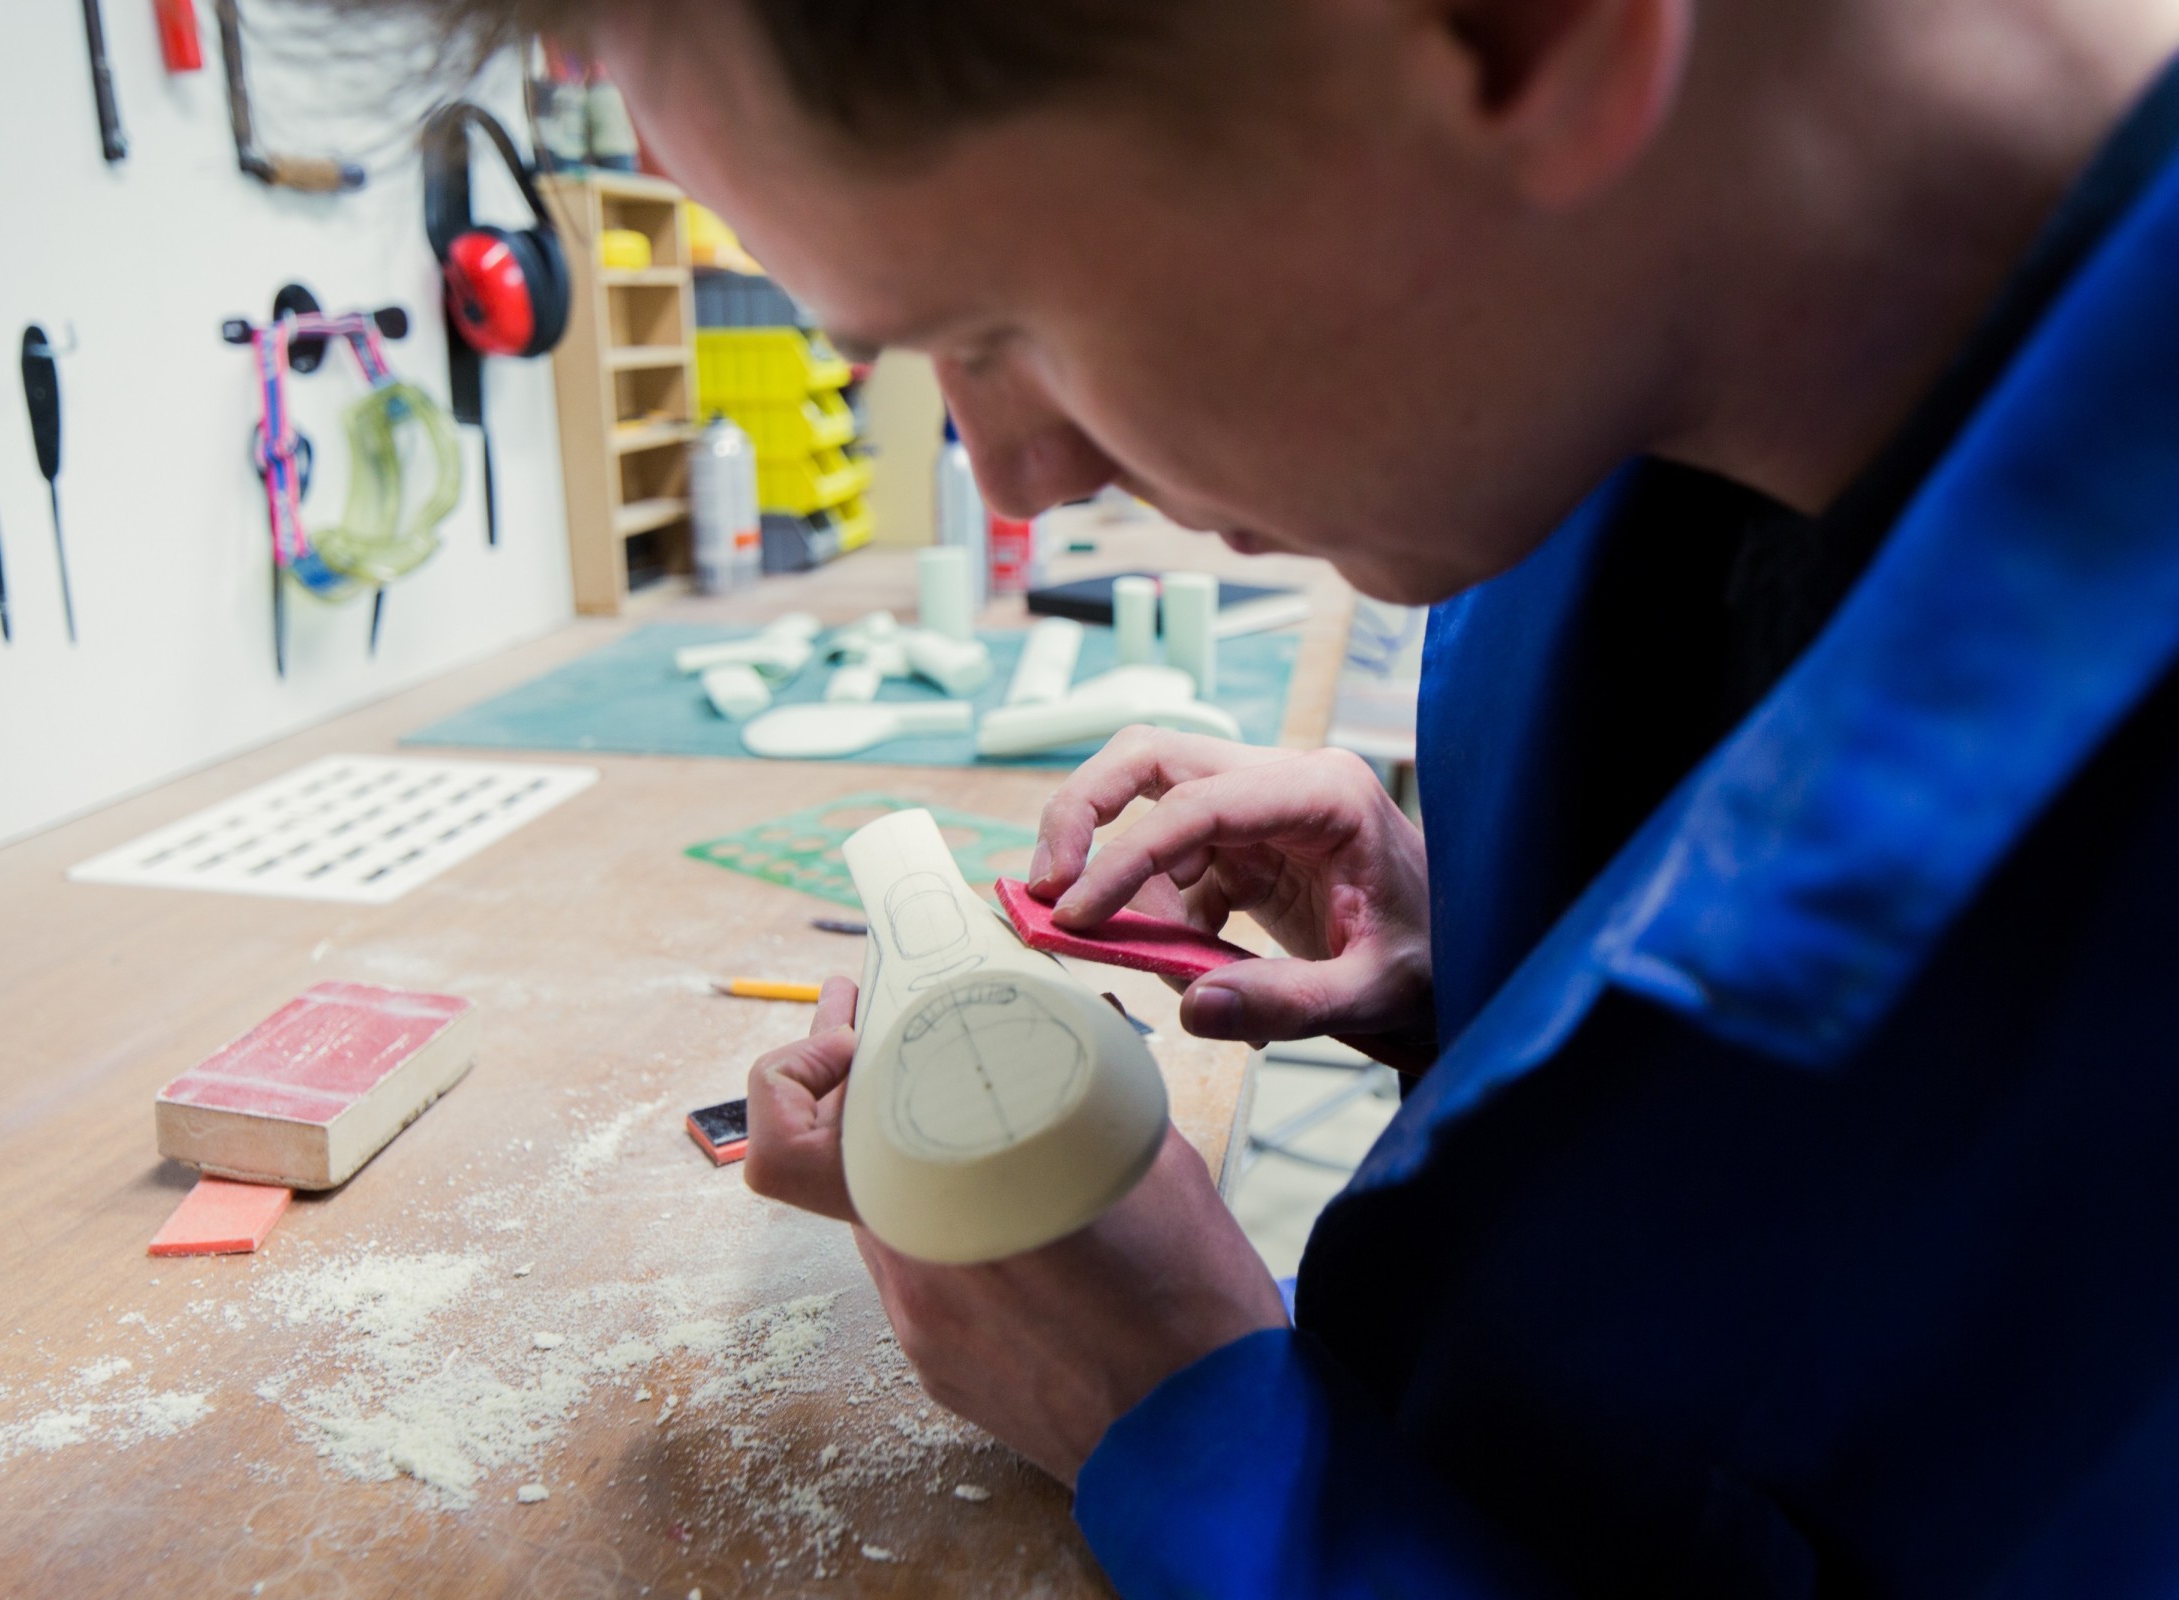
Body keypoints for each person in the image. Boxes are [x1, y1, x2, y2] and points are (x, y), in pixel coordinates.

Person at [364, 0, 2179, 1591]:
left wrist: (1184, 1420)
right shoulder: (1607, 413)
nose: (1017, 478)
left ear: (1512, 31)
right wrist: (1512, 964)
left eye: (994, 325)